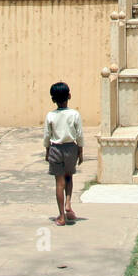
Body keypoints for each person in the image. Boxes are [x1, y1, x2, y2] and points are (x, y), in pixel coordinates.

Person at [43, 81, 84, 226]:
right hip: (71, 149)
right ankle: (68, 203)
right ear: (69, 96)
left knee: (59, 183)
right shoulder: (74, 114)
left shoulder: (50, 116)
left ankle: (61, 216)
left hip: (55, 148)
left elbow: (47, 136)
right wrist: (80, 151)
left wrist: (47, 151)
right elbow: (79, 135)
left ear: (53, 99)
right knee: (68, 178)